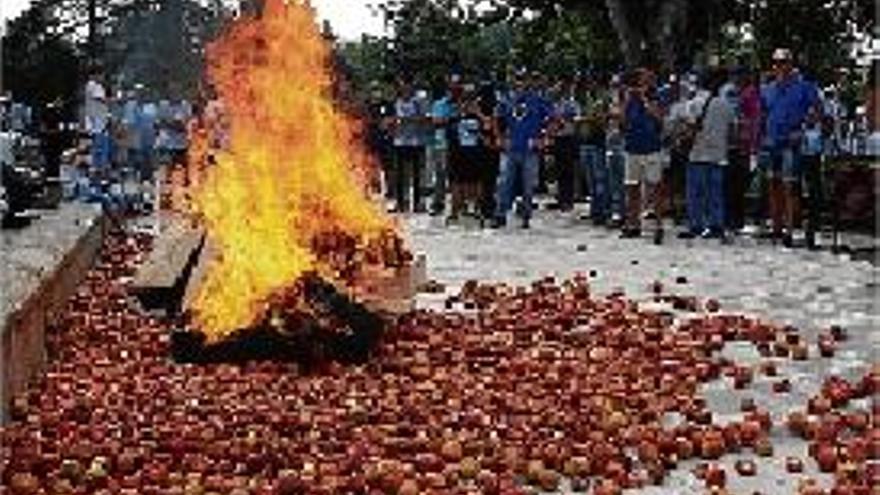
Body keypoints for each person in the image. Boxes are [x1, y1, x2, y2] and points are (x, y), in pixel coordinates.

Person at [760, 48, 821, 246]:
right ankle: (776, 227)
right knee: (773, 184)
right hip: (771, 142)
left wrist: (803, 127)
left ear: (791, 64)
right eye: (777, 62)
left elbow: (816, 111)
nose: (780, 66)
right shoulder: (767, 88)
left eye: (784, 62)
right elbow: (763, 114)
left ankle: (789, 229)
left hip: (792, 142)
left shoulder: (805, 87)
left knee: (789, 186)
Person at [679, 69, 737, 240]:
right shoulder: (726, 105)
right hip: (718, 155)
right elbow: (733, 131)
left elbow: (687, 129)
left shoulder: (693, 104)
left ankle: (696, 225)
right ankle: (716, 225)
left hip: (697, 154)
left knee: (695, 194)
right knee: (716, 194)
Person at [492, 70, 551, 229]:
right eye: (518, 79)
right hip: (510, 148)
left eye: (523, 79)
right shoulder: (506, 99)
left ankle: (526, 215)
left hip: (530, 149)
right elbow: (496, 119)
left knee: (528, 184)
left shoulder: (538, 100)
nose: (520, 83)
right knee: (504, 182)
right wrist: (499, 137)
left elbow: (553, 119)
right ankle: (500, 215)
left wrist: (544, 138)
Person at [621, 68, 665, 243]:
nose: (646, 81)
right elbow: (623, 122)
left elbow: (660, 118)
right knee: (632, 188)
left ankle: (659, 225)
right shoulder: (629, 98)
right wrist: (626, 100)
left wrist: (645, 99)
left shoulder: (656, 97)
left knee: (655, 187)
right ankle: (633, 224)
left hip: (652, 148)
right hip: (632, 147)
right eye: (643, 78)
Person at [577, 73, 611, 225]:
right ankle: (594, 210)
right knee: (591, 180)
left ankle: (602, 211)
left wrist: (586, 119)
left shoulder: (604, 99)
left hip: (598, 143)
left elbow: (602, 119)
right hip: (585, 142)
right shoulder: (587, 99)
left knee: (600, 179)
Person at [391, 78, 427, 212]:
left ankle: (418, 203)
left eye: (408, 87)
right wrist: (393, 123)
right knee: (400, 174)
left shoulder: (419, 101)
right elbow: (393, 119)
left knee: (417, 174)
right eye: (402, 87)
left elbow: (425, 119)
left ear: (412, 87)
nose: (405, 89)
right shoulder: (397, 102)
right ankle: (401, 203)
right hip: (400, 141)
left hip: (416, 141)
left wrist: (408, 119)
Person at [428, 76, 458, 216]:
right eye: (452, 88)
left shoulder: (462, 103)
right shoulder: (439, 104)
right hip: (442, 144)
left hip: (460, 145)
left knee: (457, 176)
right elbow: (435, 121)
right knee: (440, 175)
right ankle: (438, 203)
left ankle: (457, 205)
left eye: (457, 88)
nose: (454, 91)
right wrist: (452, 119)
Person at [550, 77, 581, 212]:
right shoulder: (553, 105)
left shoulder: (572, 104)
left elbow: (577, 119)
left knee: (568, 171)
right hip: (557, 139)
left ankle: (568, 199)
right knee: (559, 170)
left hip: (569, 138)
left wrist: (564, 121)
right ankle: (561, 198)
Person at [84, 68, 111, 171]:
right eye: (101, 75)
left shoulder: (95, 86)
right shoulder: (93, 85)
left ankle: (99, 166)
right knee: (99, 144)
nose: (102, 78)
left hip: (99, 119)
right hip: (96, 119)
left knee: (100, 143)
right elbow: (101, 99)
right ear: (95, 75)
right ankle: (98, 167)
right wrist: (115, 99)